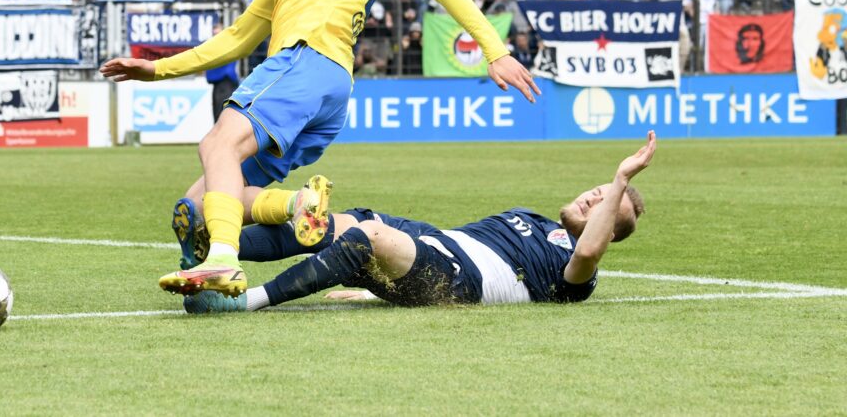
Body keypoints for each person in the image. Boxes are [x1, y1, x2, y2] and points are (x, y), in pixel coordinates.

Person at [100, 0, 540, 298]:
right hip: (319, 91)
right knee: (197, 209)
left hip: (307, 63)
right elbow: (237, 37)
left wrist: (494, 49)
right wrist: (157, 69)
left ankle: (222, 263)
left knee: (217, 144)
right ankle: (295, 207)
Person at [177, 132, 654, 313]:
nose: (594, 197)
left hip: (458, 279)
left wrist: (621, 178)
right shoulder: (533, 218)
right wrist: (370, 289)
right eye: (596, 191)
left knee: (368, 236)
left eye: (604, 204)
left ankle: (245, 303)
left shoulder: (577, 272)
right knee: (338, 223)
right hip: (436, 243)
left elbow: (589, 251)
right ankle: (215, 249)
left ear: (610, 228)